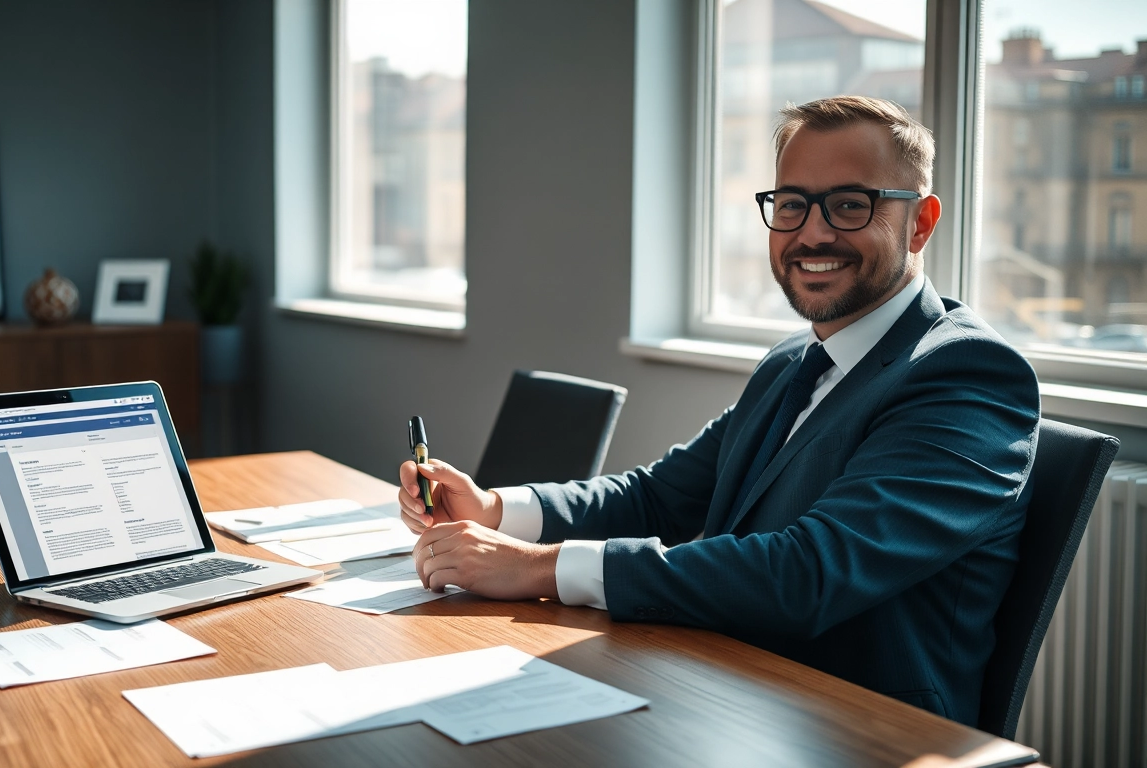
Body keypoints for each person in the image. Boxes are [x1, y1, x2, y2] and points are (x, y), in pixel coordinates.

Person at [397, 95, 1040, 727]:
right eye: (792, 205)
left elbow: (807, 573)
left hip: (860, 728)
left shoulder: (966, 375)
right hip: (733, 691)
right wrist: (497, 511)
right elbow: (659, 496)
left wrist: (538, 568)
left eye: (850, 205)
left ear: (920, 223)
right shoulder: (796, 359)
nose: (812, 233)